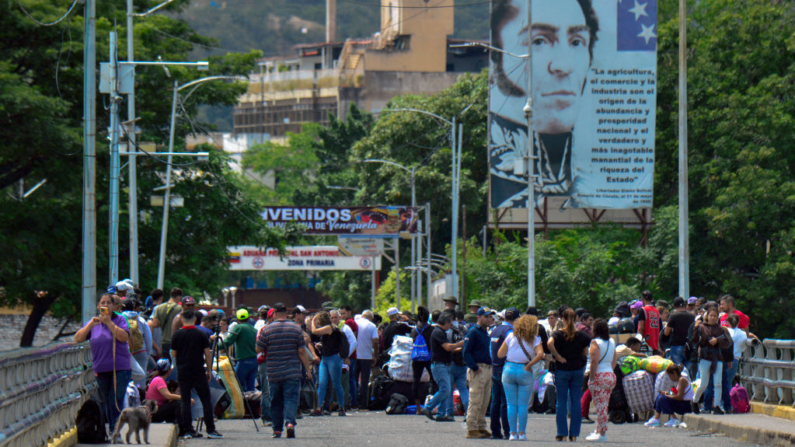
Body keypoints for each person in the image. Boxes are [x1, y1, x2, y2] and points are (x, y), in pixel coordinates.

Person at [489, 0, 599, 206]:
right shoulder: (497, 176)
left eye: (577, 42)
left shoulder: (599, 180)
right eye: (538, 41)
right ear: (496, 60)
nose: (563, 66)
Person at [75, 293, 132, 431]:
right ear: (98, 306)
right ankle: (111, 429)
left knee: (116, 399)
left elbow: (123, 337)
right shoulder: (93, 322)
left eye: (108, 303)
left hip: (120, 367)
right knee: (106, 400)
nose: (105, 305)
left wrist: (109, 323)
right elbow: (78, 338)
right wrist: (90, 325)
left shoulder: (119, 320)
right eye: (103, 303)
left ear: (113, 306)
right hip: (101, 368)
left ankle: (114, 430)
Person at [257, 302, 313, 438]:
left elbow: (258, 348)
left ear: (274, 313)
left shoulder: (267, 329)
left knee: (275, 400)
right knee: (291, 399)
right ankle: (289, 423)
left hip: (273, 371)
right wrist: (308, 370)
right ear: (286, 312)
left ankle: (277, 429)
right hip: (292, 371)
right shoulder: (295, 329)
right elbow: (301, 351)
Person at [170, 310, 223, 439]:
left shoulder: (177, 334)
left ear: (182, 320)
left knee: (185, 401)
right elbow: (207, 353)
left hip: (183, 371)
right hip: (198, 370)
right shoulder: (201, 334)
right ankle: (210, 429)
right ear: (194, 320)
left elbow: (174, 354)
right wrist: (209, 370)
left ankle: (188, 430)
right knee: (206, 400)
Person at [497, 314, 544, 441]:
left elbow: (500, 354)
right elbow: (540, 354)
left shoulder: (510, 336)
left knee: (511, 403)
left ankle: (512, 433)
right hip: (525, 369)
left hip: (509, 368)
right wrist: (529, 364)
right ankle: (522, 433)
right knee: (523, 405)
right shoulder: (535, 339)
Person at [547, 308, 591, 442]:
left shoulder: (559, 334)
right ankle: (574, 433)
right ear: (576, 319)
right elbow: (585, 351)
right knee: (575, 401)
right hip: (577, 369)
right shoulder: (582, 335)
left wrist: (558, 356)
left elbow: (549, 343)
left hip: (562, 369)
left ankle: (561, 432)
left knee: (561, 401)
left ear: (563, 320)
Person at [420, 313, 464, 422]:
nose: (450, 325)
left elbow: (446, 349)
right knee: (445, 389)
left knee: (445, 389)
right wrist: (461, 343)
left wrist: (458, 349)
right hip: (439, 365)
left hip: (444, 364)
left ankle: (441, 413)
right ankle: (428, 407)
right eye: (450, 323)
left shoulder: (441, 332)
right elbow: (447, 347)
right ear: (445, 322)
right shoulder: (438, 332)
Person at [691, 306, 732, 415]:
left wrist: (717, 341)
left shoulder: (721, 329)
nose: (713, 318)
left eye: (715, 316)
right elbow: (694, 340)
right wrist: (695, 328)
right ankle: (695, 400)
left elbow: (727, 342)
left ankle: (717, 405)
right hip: (705, 357)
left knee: (718, 382)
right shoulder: (701, 327)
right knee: (704, 382)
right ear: (707, 316)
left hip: (717, 357)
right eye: (711, 315)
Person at [463, 307, 496, 439]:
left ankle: (481, 426)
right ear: (479, 317)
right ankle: (471, 428)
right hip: (478, 368)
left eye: (490, 317)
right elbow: (466, 352)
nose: (489, 319)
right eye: (486, 316)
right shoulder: (473, 332)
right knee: (475, 399)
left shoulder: (485, 332)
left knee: (485, 400)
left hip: (487, 368)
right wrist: (474, 367)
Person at [310, 311, 348, 416]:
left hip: (334, 358)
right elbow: (330, 342)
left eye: (318, 322)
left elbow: (314, 331)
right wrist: (320, 345)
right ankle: (319, 407)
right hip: (325, 358)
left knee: (336, 383)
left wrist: (313, 320)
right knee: (322, 383)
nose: (317, 324)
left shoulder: (329, 328)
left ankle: (341, 406)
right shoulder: (328, 329)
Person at [585, 319, 616, 442]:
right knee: (604, 404)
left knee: (600, 406)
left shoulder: (595, 342)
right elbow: (614, 359)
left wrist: (592, 377)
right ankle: (599, 430)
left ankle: (602, 433)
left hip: (599, 375)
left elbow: (594, 362)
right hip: (610, 375)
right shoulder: (612, 341)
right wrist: (610, 371)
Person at [489, 307, 517, 439]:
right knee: (506, 401)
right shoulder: (509, 331)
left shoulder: (495, 329)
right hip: (505, 366)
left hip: (494, 366)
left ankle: (495, 430)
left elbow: (490, 350)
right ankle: (507, 431)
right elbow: (510, 350)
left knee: (495, 400)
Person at [214, 308, 258, 392]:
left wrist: (215, 347)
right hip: (254, 362)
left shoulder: (238, 328)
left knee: (236, 386)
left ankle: (239, 405)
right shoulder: (254, 329)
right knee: (250, 389)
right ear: (248, 318)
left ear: (237, 319)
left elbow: (228, 341)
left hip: (243, 361)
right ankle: (249, 405)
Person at [121, 297, 152, 388]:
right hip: (140, 351)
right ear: (133, 307)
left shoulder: (120, 319)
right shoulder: (140, 319)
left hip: (125, 352)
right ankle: (140, 396)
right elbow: (148, 337)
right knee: (141, 378)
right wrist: (147, 353)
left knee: (125, 378)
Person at [410, 306, 435, 410]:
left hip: (416, 358)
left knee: (416, 380)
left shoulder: (414, 330)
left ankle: (417, 407)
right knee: (433, 379)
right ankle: (432, 404)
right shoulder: (431, 329)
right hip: (429, 357)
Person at [148, 287, 183, 359]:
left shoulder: (159, 307)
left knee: (165, 365)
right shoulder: (180, 308)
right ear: (179, 297)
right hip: (175, 340)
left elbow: (154, 324)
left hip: (164, 341)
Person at [355, 310, 379, 408]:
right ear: (370, 317)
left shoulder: (355, 323)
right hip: (366, 356)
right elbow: (375, 341)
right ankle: (363, 404)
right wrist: (375, 355)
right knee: (364, 381)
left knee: (353, 380)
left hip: (354, 356)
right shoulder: (372, 326)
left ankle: (353, 402)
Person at [147, 359, 184, 424]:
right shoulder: (159, 380)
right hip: (153, 413)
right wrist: (185, 398)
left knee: (173, 403)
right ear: (168, 371)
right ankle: (182, 429)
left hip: (154, 410)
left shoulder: (156, 379)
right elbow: (168, 396)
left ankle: (173, 423)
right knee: (177, 404)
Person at [664, 297, 696, 369]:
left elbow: (666, 332)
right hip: (689, 346)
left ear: (674, 306)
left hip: (677, 345)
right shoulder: (692, 316)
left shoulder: (673, 316)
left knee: (676, 370)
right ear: (685, 304)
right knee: (688, 370)